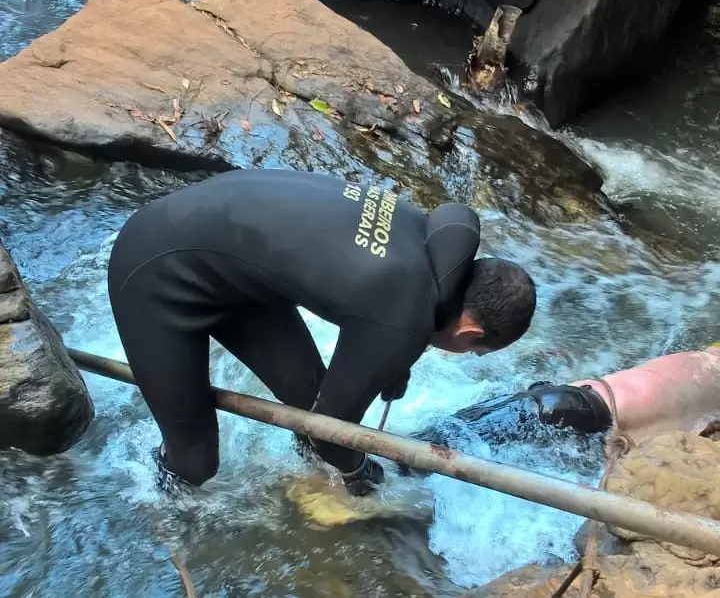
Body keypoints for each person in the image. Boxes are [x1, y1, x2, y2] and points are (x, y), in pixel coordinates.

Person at [107, 168, 537, 497]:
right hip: (157, 271)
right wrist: (360, 472)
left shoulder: (435, 238)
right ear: (470, 330)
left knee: (307, 398)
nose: (463, 353)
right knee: (196, 461)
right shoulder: (400, 310)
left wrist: (393, 359)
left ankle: (306, 475)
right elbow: (334, 432)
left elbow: (392, 309)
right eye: (474, 351)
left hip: (222, 254)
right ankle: (158, 506)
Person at [411, 343, 720, 453]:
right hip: (584, 415)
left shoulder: (700, 358)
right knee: (431, 454)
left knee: (427, 445)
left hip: (563, 397)